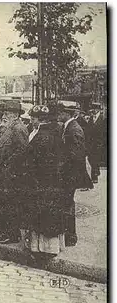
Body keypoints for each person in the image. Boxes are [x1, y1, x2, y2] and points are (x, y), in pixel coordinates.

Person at [21, 105, 65, 258]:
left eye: (33, 118)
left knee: (42, 216)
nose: (31, 121)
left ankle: (43, 249)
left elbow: (34, 162)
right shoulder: (53, 133)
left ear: (39, 120)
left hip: (41, 183)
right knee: (48, 216)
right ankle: (49, 247)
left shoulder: (40, 136)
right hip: (51, 183)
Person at [0, 102, 28, 244]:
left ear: (16, 115)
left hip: (11, 175)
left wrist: (8, 165)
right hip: (4, 173)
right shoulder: (7, 127)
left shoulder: (18, 128)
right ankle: (7, 232)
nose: (4, 116)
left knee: (11, 205)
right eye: (4, 113)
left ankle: (12, 234)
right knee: (5, 204)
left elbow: (22, 151)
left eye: (7, 113)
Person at [57, 101, 93, 247]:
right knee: (66, 204)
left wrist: (61, 167)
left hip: (69, 175)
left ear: (68, 113)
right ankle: (68, 235)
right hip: (68, 174)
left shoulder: (74, 129)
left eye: (61, 112)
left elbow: (76, 156)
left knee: (67, 205)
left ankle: (71, 236)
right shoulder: (68, 127)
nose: (59, 114)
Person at [86, 102, 107, 183]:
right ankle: (96, 172)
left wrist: (101, 143)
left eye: (95, 109)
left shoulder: (103, 119)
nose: (94, 110)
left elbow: (104, 133)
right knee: (91, 159)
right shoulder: (91, 118)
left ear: (99, 109)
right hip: (91, 143)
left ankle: (94, 177)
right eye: (93, 109)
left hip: (99, 143)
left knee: (95, 159)